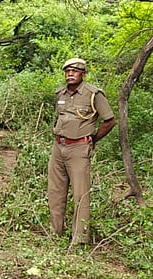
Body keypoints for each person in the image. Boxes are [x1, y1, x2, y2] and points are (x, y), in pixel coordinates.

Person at [49, 57, 116, 248]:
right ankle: (55, 233)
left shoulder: (93, 94)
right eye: (67, 71)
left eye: (74, 71)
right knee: (55, 192)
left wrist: (92, 140)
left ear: (83, 74)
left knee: (80, 195)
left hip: (79, 148)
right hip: (58, 147)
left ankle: (79, 240)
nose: (70, 74)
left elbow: (109, 121)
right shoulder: (61, 93)